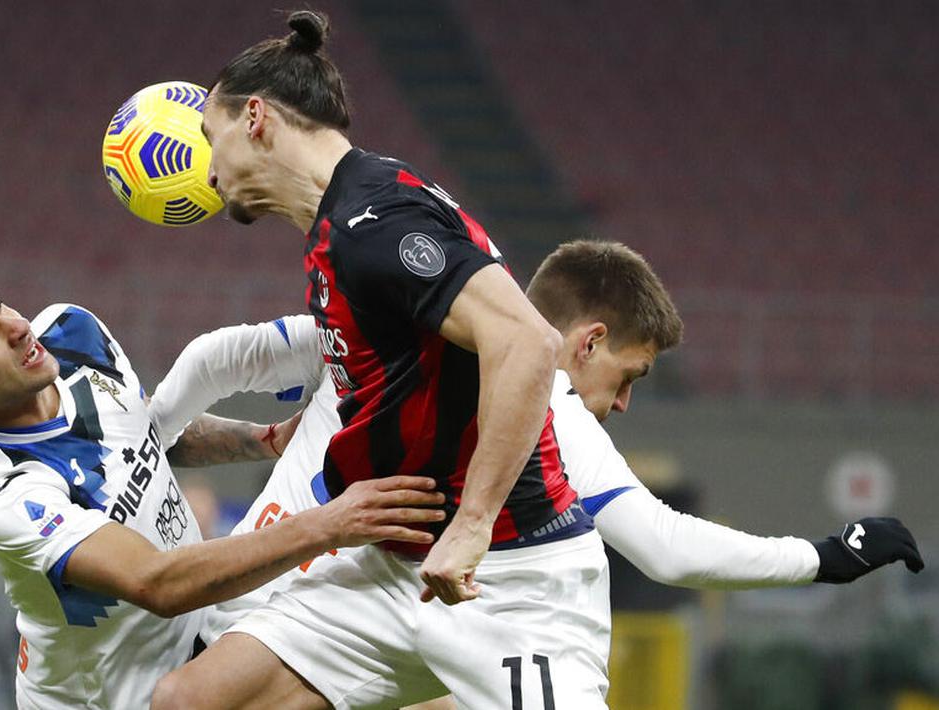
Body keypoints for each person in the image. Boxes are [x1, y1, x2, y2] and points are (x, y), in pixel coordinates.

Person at [151, 241, 925, 708]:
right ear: (585, 342)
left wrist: (155, 429)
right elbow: (663, 547)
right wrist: (823, 556)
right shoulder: (544, 401)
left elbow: (225, 353)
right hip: (304, 627)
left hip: (233, 628)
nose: (622, 403)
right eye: (629, 375)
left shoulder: (399, 329)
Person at [160, 10, 646, 708]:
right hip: (390, 570)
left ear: (256, 118)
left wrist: (472, 524)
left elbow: (527, 342)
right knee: (190, 702)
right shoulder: (345, 217)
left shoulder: (375, 222)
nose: (208, 168)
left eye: (212, 138)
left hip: (508, 577)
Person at [0, 272, 445, 709]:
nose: (18, 327)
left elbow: (144, 431)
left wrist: (263, 440)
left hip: (207, 642)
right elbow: (157, 584)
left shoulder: (73, 332)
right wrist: (332, 522)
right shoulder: (5, 490)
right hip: (117, 696)